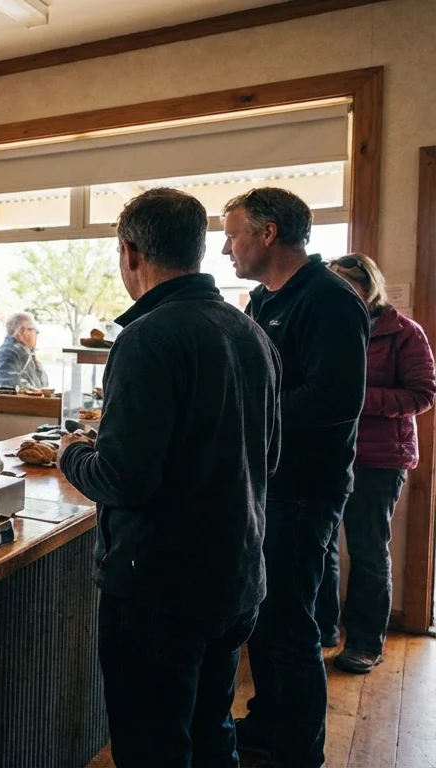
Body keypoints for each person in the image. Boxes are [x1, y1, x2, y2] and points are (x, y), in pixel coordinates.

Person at [58, 188, 280, 767]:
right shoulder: (250, 331)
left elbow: (123, 478)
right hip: (237, 577)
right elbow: (269, 455)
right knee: (211, 732)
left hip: (161, 588)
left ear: (130, 253)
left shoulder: (148, 337)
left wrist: (70, 454)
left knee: (153, 746)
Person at [224, 188, 370, 767]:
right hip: (265, 485)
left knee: (289, 621)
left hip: (305, 488)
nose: (227, 247)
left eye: (234, 233)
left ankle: (298, 751)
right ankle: (268, 725)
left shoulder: (330, 299)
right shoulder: (261, 299)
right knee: (264, 614)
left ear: (267, 234)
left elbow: (335, 399)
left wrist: (248, 414)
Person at [316, 254, 435, 673]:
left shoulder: (404, 332)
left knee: (367, 552)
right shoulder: (326, 327)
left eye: (350, 286)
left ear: (370, 287)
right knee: (322, 546)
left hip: (380, 459)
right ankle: (322, 630)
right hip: (329, 453)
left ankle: (366, 642)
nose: (342, 294)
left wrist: (355, 397)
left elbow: (422, 394)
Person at [0, 312, 50, 389]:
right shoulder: (8, 355)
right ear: (20, 332)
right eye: (33, 330)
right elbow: (5, 388)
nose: (37, 334)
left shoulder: (25, 354)